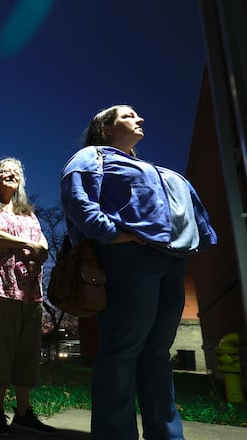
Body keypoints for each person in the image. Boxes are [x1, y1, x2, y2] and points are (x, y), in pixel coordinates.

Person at [61, 105, 217, 439]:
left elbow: (193, 209)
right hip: (129, 260)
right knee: (121, 350)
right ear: (105, 128)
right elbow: (77, 198)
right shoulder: (93, 156)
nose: (140, 119)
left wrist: (198, 240)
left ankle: (166, 435)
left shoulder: (149, 166)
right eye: (129, 116)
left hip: (172, 262)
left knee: (158, 353)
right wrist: (114, 235)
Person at [0, 158, 57, 436]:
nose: (11, 174)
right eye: (4, 171)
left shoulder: (28, 214)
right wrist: (27, 244)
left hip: (30, 292)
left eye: (16, 172)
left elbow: (43, 242)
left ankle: (23, 412)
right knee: (0, 352)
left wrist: (39, 247)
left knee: (27, 355)